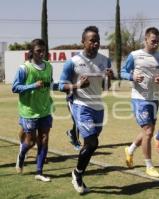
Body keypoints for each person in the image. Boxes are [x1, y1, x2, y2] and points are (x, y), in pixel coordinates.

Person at [59, 26, 113, 193]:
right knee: (92, 142)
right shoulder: (73, 62)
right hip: (81, 106)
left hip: (98, 107)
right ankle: (77, 174)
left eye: (97, 41)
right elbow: (61, 85)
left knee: (90, 145)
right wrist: (78, 85)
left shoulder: (105, 61)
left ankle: (77, 172)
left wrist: (108, 79)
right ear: (83, 42)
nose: (95, 43)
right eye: (92, 40)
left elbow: (106, 87)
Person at [121, 27, 159, 178]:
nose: (155, 44)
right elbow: (122, 71)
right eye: (153, 41)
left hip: (154, 98)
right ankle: (149, 165)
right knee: (149, 131)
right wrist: (132, 78)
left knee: (146, 131)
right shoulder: (135, 55)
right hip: (139, 98)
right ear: (146, 40)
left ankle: (129, 150)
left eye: (157, 41)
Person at [12, 38, 53, 182]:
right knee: (30, 143)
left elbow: (49, 84)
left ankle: (39, 172)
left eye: (43, 51)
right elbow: (15, 87)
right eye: (38, 51)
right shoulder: (24, 68)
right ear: (32, 52)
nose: (41, 54)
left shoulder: (49, 66)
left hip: (45, 110)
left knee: (44, 140)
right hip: (29, 111)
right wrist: (32, 86)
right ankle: (21, 156)